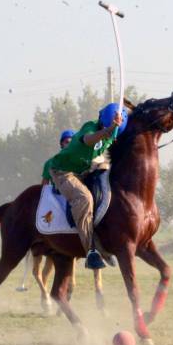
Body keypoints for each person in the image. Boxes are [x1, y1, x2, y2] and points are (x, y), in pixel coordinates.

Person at [42, 104, 124, 269]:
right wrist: (110, 128)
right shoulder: (90, 127)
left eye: (114, 130)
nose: (111, 133)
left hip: (83, 171)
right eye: (109, 128)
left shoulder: (112, 134)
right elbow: (89, 140)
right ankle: (91, 251)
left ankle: (106, 244)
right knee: (84, 198)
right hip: (62, 172)